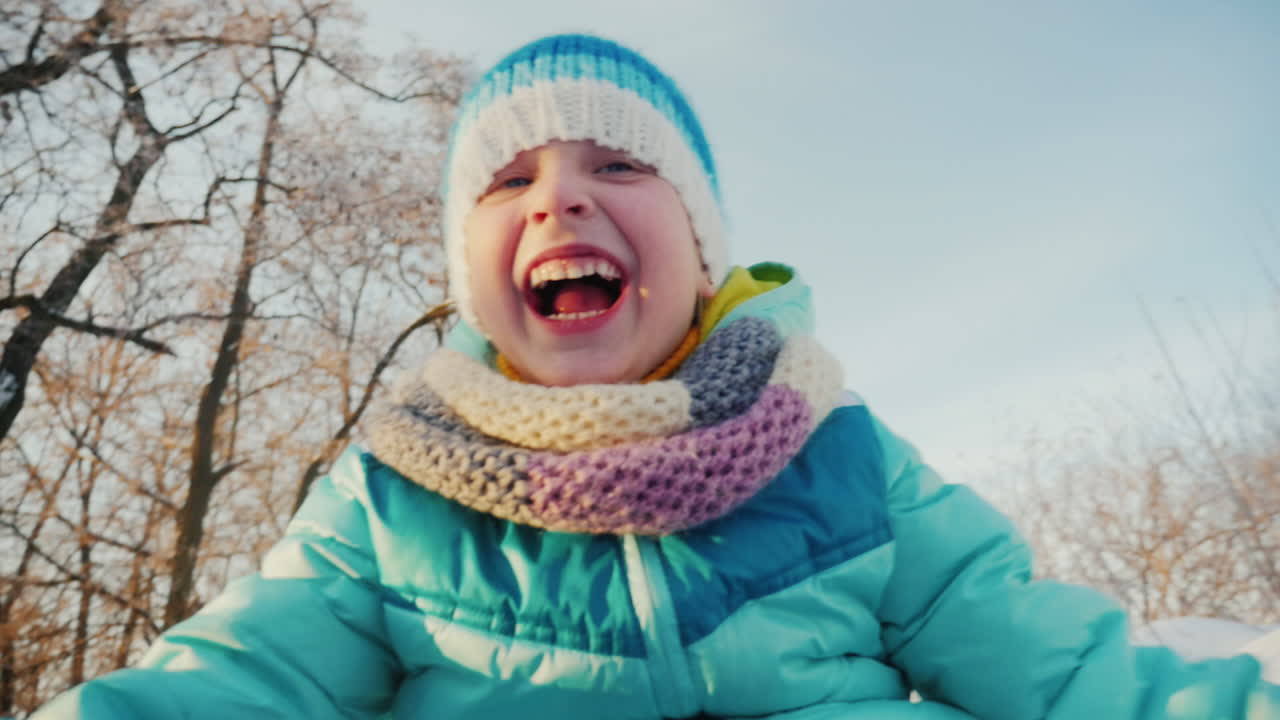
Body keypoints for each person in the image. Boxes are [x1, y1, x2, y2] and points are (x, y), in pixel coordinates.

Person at [33, 33, 1279, 720]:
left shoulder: (834, 452)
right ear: (473, 279)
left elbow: (1062, 674)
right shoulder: (391, 502)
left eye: (619, 168)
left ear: (700, 251)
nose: (559, 193)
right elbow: (244, 681)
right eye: (508, 182)